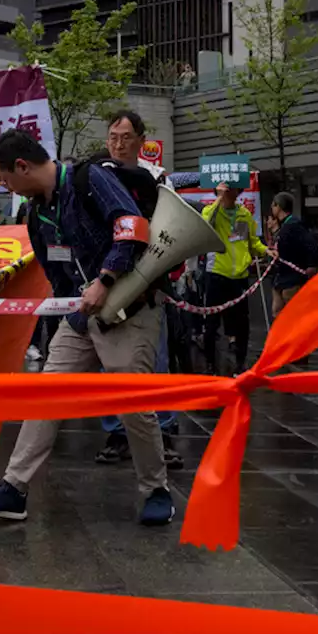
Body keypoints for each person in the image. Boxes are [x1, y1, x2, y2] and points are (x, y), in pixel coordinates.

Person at [0, 129, 174, 527]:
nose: (8, 189)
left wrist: (106, 279)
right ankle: (14, 488)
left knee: (133, 403)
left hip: (130, 308)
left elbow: (130, 225)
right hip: (79, 317)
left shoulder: (88, 179)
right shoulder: (36, 213)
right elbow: (56, 273)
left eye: (6, 180)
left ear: (22, 166)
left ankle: (155, 489)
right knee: (47, 394)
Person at [93, 111, 184, 468]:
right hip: (109, 279)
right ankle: (118, 433)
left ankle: (162, 432)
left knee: (155, 361)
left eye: (126, 137)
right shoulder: (96, 176)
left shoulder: (158, 179)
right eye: (113, 136)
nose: (118, 143)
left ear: (142, 141)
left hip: (147, 285)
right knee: (109, 365)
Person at [200, 182, 267, 376]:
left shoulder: (244, 214)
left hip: (239, 276)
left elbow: (251, 241)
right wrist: (219, 199)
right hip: (216, 274)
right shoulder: (210, 211)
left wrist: (265, 250)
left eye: (233, 190)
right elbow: (205, 226)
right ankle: (210, 365)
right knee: (211, 324)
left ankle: (240, 363)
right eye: (226, 190)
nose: (231, 193)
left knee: (241, 324)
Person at [269, 192, 318, 318]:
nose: (272, 208)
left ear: (279, 206)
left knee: (294, 313)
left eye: (273, 205)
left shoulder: (294, 225)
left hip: (292, 277)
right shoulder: (284, 226)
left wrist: (312, 264)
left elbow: (311, 244)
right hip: (279, 277)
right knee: (277, 311)